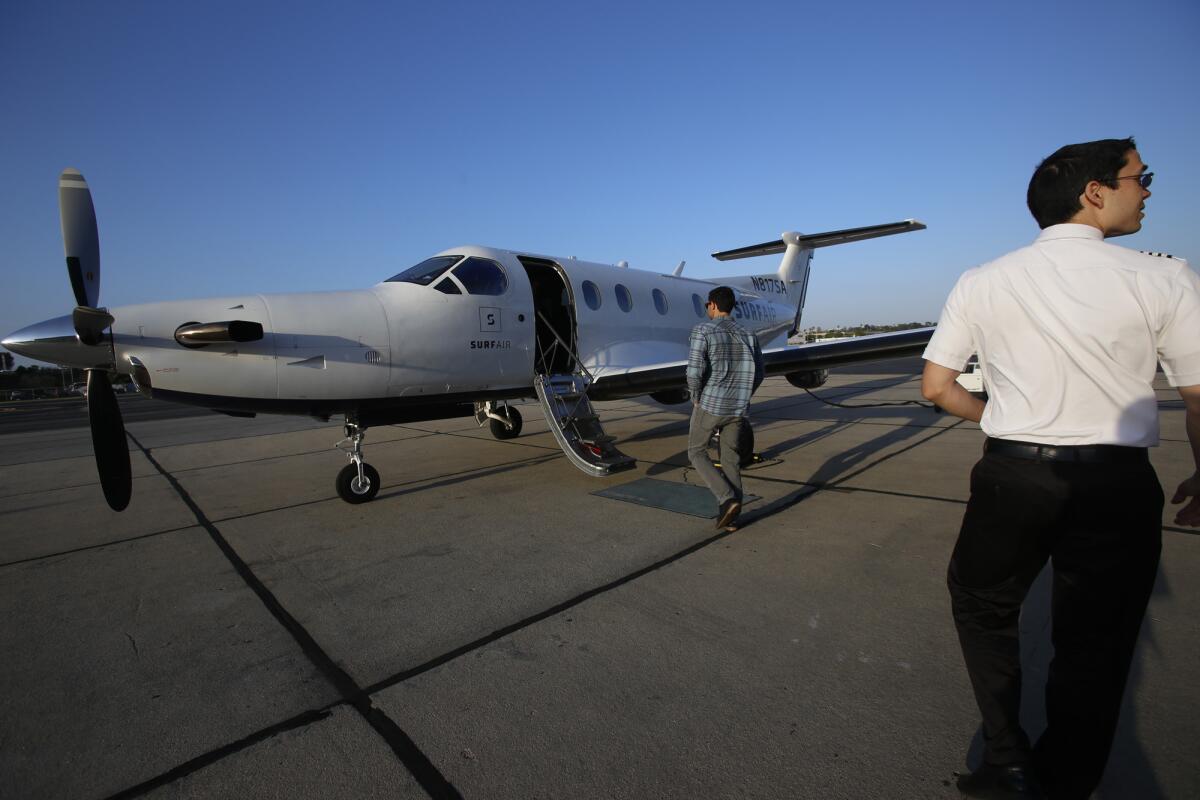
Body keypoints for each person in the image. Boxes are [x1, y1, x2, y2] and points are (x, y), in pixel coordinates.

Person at [921, 137, 1200, 800]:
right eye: (1141, 177)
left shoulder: (981, 279)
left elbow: (937, 386)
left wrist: (1003, 420)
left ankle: (1006, 759)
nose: (1148, 190)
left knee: (982, 605)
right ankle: (1066, 781)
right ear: (1095, 192)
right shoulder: (1166, 276)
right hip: (1117, 482)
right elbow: (1196, 395)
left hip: (1013, 474)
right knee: (1095, 645)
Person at [687, 285, 764, 530]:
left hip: (711, 403)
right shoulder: (749, 334)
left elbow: (694, 371)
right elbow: (760, 373)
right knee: (730, 460)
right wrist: (744, 395)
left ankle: (726, 498)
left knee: (696, 452)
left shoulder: (703, 330)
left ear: (713, 304)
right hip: (738, 409)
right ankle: (732, 518)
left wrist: (696, 397)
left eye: (706, 305)